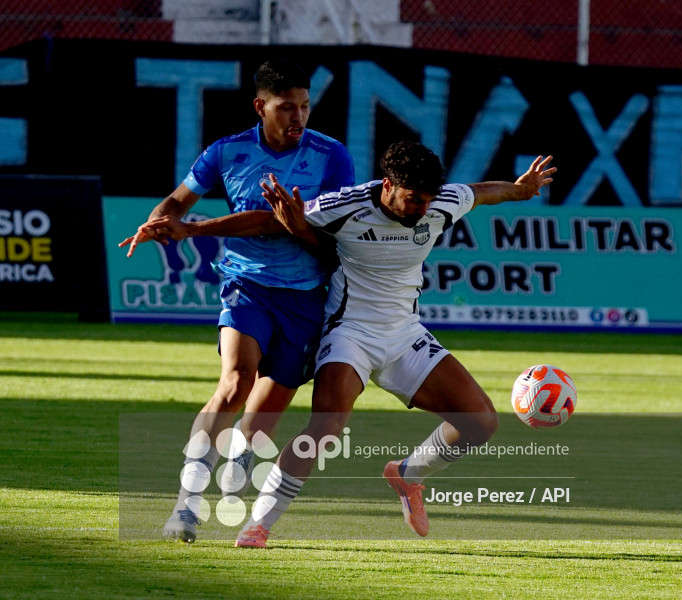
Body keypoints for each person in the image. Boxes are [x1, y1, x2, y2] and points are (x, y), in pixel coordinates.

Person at [231, 141, 556, 548]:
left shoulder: (440, 202)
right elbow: (267, 222)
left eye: (429, 201)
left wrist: (520, 189)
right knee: (326, 427)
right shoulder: (344, 205)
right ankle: (258, 525)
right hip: (349, 333)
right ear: (388, 186)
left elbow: (482, 192)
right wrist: (190, 229)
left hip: (406, 335)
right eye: (413, 200)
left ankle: (408, 474)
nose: (423, 209)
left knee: (481, 422)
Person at [119, 58, 355, 542]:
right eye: (287, 107)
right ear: (260, 107)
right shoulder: (226, 153)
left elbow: (314, 234)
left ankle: (241, 454)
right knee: (235, 380)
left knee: (258, 426)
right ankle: (184, 507)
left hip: (307, 298)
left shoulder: (332, 156)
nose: (299, 117)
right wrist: (159, 220)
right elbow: (178, 199)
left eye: (305, 107)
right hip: (245, 285)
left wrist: (194, 229)